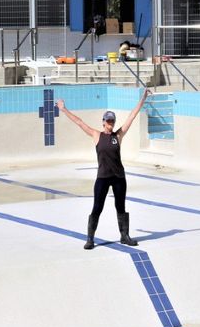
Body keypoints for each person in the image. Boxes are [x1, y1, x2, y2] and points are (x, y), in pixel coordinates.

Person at [57, 88, 150, 250]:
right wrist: (64, 109)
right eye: (108, 121)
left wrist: (143, 98)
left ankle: (124, 236)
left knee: (120, 207)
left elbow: (132, 116)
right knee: (97, 208)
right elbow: (79, 122)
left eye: (112, 121)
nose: (110, 124)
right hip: (103, 177)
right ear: (103, 122)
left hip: (119, 177)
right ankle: (90, 238)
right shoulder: (96, 135)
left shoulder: (118, 136)